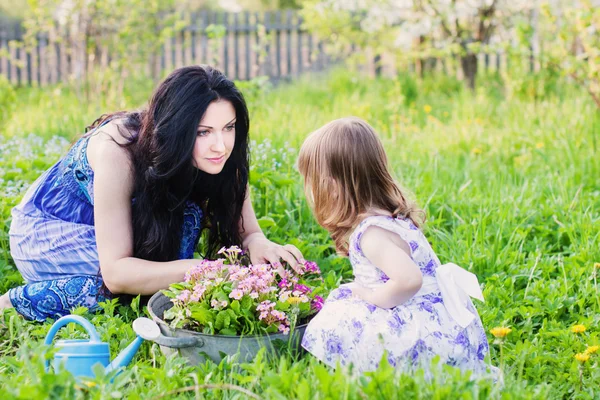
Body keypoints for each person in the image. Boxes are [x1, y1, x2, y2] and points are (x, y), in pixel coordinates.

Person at [0, 65, 303, 322]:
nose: (220, 145)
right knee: (113, 293)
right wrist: (204, 269)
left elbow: (248, 233)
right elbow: (117, 272)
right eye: (203, 132)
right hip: (47, 232)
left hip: (114, 230)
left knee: (164, 277)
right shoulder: (117, 151)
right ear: (175, 130)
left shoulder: (223, 155)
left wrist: (261, 244)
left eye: (229, 127)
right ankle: (12, 304)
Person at [297, 117, 491, 375]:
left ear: (332, 186)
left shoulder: (372, 235)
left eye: (312, 181)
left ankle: (381, 375)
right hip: (443, 321)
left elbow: (410, 281)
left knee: (339, 315)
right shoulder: (392, 218)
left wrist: (370, 296)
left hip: (424, 333)